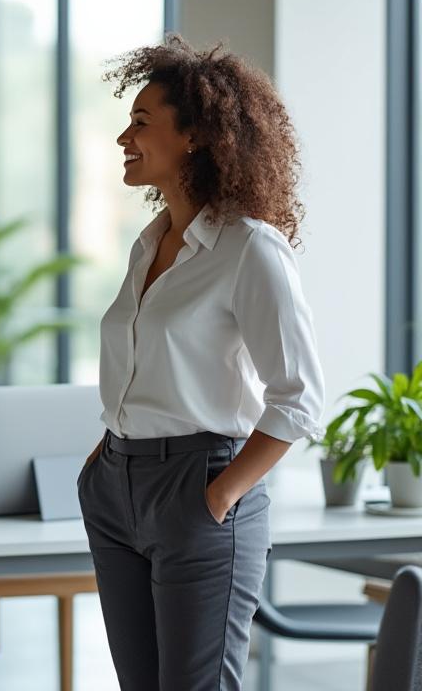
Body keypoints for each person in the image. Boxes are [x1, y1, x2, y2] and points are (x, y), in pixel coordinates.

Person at [77, 35, 324, 690]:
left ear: (193, 135)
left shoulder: (250, 249)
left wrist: (219, 497)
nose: (122, 137)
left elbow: (297, 397)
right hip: (117, 487)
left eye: (141, 122)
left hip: (199, 485)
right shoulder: (150, 242)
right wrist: (103, 462)